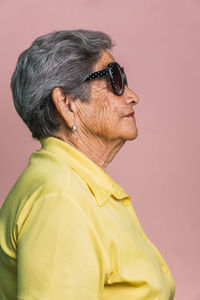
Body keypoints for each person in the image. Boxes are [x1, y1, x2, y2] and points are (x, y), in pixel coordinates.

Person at [0, 29, 175, 300]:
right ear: (67, 103)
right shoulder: (61, 200)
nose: (132, 95)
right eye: (114, 79)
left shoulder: (74, 185)